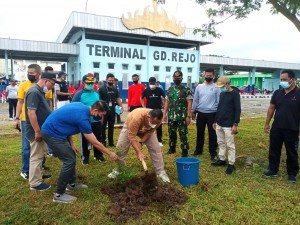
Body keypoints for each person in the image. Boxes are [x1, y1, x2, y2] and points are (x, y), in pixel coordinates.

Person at [41, 100, 119, 203]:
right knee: (69, 160)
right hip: (51, 133)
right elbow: (94, 142)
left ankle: (71, 184)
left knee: (71, 155)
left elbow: (67, 124)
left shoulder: (82, 107)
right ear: (95, 111)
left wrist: (72, 144)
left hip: (58, 131)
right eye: (101, 115)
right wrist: (110, 153)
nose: (101, 117)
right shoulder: (83, 119)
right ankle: (59, 194)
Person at [107, 108, 170, 183]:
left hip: (146, 130)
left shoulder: (158, 121)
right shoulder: (136, 118)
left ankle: (160, 172)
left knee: (156, 148)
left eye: (156, 123)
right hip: (130, 126)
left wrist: (141, 143)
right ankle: (119, 169)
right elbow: (132, 137)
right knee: (120, 148)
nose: (155, 125)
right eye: (153, 123)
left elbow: (149, 133)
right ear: (148, 117)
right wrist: (138, 152)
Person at [15, 64, 53, 180]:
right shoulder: (25, 86)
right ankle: (26, 170)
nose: (29, 75)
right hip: (27, 120)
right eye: (28, 72)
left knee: (40, 147)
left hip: (41, 121)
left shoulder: (44, 88)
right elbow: (20, 102)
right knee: (27, 147)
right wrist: (17, 118)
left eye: (32, 73)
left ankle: (38, 170)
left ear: (39, 73)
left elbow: (48, 103)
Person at [263, 70, 299, 183]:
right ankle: (273, 170)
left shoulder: (298, 93)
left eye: (284, 79)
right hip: (277, 127)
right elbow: (271, 108)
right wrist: (267, 123)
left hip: (292, 128)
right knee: (274, 149)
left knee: (291, 151)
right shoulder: (277, 93)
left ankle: (292, 173)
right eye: (281, 79)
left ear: (292, 80)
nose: (282, 82)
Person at [25, 72, 59, 191]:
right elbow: (31, 113)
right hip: (35, 130)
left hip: (41, 128)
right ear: (46, 81)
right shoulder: (34, 92)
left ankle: (38, 175)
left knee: (40, 154)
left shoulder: (39, 92)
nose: (52, 87)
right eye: (52, 84)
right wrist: (37, 131)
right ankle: (34, 183)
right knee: (36, 156)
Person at [72, 73, 105, 164]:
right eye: (88, 83)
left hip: (96, 120)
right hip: (85, 121)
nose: (90, 85)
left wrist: (101, 118)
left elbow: (101, 106)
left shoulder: (96, 93)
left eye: (92, 83)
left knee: (97, 138)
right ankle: (85, 156)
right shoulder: (79, 94)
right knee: (85, 139)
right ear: (84, 83)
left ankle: (98, 155)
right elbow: (74, 106)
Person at [211, 77, 241, 175]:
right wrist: (215, 120)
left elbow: (237, 109)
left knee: (230, 144)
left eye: (222, 86)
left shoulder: (235, 94)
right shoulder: (222, 94)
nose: (221, 88)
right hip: (219, 122)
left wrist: (235, 124)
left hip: (229, 124)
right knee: (220, 142)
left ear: (228, 84)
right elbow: (219, 107)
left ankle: (231, 163)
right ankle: (222, 159)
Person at [192, 68, 220, 161]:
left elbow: (219, 101)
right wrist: (193, 111)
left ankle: (213, 153)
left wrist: (218, 115)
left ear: (213, 76)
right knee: (200, 132)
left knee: (212, 134)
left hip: (212, 114)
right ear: (204, 75)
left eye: (210, 76)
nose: (208, 77)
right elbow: (195, 100)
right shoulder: (199, 87)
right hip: (200, 113)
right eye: (207, 75)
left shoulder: (216, 88)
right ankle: (198, 150)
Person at [163, 70, 193, 157]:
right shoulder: (170, 89)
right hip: (171, 116)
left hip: (182, 116)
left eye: (178, 78)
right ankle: (172, 148)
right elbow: (167, 102)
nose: (176, 79)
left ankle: (184, 150)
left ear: (182, 79)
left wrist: (188, 116)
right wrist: (164, 113)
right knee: (171, 133)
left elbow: (189, 103)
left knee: (183, 133)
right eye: (175, 78)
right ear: (173, 78)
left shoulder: (186, 89)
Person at [98, 73, 123, 147]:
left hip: (112, 110)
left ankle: (111, 142)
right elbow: (99, 100)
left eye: (112, 80)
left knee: (111, 127)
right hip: (104, 111)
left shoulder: (115, 88)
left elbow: (117, 98)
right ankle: (103, 142)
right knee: (103, 127)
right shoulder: (101, 89)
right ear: (106, 80)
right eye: (110, 80)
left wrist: (121, 106)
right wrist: (101, 110)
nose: (111, 81)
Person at [140, 77, 165, 146]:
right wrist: (143, 107)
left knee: (159, 125)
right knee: (148, 125)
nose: (152, 85)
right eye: (151, 83)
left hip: (158, 110)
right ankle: (147, 140)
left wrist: (164, 108)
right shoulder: (146, 90)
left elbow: (165, 97)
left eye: (153, 83)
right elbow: (141, 97)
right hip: (149, 110)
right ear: (149, 83)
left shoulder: (159, 90)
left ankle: (159, 140)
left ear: (155, 83)